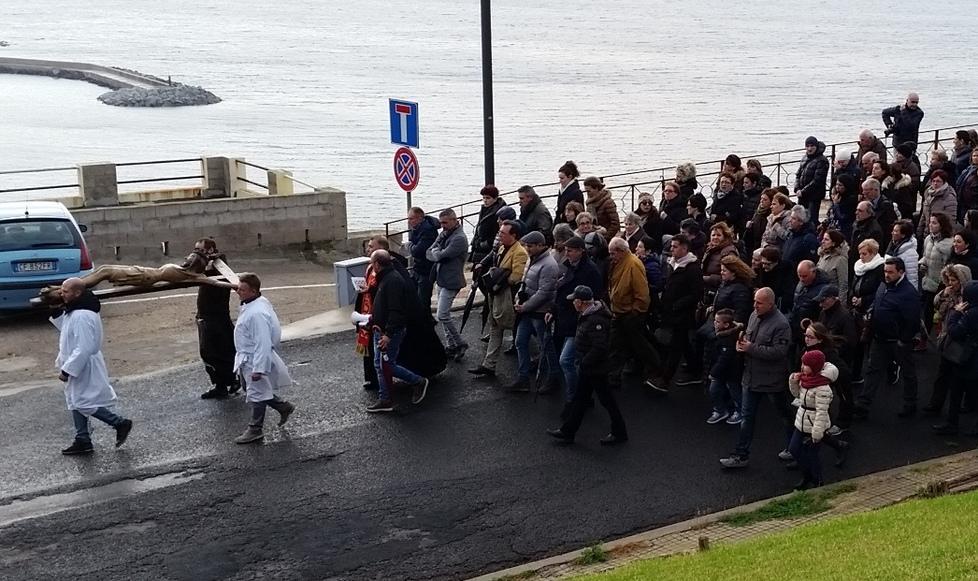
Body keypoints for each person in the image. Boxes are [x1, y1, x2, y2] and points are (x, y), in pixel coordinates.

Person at [53, 278, 133, 455]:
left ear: (77, 293)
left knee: (82, 402)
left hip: (83, 363)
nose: (61, 293)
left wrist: (68, 369)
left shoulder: (82, 315)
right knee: (74, 401)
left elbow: (84, 347)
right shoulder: (76, 310)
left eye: (65, 291)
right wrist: (56, 311)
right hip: (76, 360)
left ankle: (119, 422)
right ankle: (83, 439)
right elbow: (67, 332)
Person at [720, 288, 793, 469]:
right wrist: (741, 344)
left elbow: (780, 352)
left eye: (759, 303)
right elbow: (748, 338)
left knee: (785, 415)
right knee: (747, 417)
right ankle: (741, 455)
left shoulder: (781, 325)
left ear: (770, 303)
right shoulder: (754, 315)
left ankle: (795, 447)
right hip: (751, 378)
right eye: (755, 301)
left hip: (772, 381)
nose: (755, 306)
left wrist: (750, 348)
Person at [547, 285, 628, 445]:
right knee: (581, 398)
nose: (572, 303)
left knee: (606, 400)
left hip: (595, 368)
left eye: (574, 300)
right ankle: (568, 431)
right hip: (589, 366)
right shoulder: (588, 315)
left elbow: (599, 347)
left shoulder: (595, 320)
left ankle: (619, 432)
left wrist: (584, 362)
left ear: (580, 302)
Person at [359, 252, 430, 413]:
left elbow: (395, 311)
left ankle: (412, 384)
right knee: (381, 364)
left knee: (386, 364)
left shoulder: (392, 281)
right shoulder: (388, 277)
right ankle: (386, 397)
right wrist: (370, 290)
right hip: (382, 328)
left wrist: (388, 334)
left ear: (377, 264)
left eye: (372, 263)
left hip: (388, 331)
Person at [853, 257, 920, 419]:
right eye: (885, 271)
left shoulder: (909, 293)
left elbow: (913, 320)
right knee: (872, 370)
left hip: (898, 341)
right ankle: (863, 405)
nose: (886, 275)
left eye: (890, 272)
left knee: (908, 373)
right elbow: (877, 303)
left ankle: (910, 404)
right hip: (880, 338)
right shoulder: (883, 285)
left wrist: (904, 340)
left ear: (901, 272)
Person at [232, 273, 296, 442]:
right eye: (238, 288)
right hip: (248, 357)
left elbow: (263, 342)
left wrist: (258, 368)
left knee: (256, 393)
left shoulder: (256, 314)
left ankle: (255, 428)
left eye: (242, 289)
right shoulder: (256, 303)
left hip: (254, 359)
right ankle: (283, 407)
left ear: (253, 291)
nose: (238, 291)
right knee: (251, 389)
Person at [548, 236, 603, 414]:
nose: (567, 253)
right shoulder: (572, 266)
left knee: (566, 360)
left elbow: (593, 296)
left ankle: (574, 399)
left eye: (570, 250)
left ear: (580, 251)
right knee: (575, 361)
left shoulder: (589, 271)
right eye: (566, 250)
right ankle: (582, 396)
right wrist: (553, 310)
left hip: (578, 321)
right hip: (568, 319)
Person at [469, 220, 528, 378]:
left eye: (503, 233)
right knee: (495, 326)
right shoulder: (502, 247)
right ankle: (488, 365)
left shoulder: (520, 252)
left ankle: (535, 361)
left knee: (511, 325)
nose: (499, 235)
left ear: (513, 235)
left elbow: (517, 276)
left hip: (506, 295)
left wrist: (499, 277)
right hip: (496, 294)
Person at [182, 238, 238, 400]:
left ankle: (231, 381)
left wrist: (209, 259)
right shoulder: (206, 263)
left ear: (211, 250)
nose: (196, 253)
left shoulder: (218, 264)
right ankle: (223, 384)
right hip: (206, 316)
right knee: (215, 352)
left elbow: (220, 266)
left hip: (216, 318)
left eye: (200, 250)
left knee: (215, 353)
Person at [604, 237, 662, 389]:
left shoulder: (633, 265)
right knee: (619, 344)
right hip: (620, 311)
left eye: (612, 253)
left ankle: (656, 369)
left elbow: (642, 293)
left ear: (621, 252)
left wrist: (636, 312)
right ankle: (615, 376)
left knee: (638, 344)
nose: (611, 257)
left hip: (630, 313)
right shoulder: (619, 263)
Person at [647, 234, 702, 391]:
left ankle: (665, 379)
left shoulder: (692, 268)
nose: (671, 249)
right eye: (671, 246)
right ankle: (695, 369)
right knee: (683, 343)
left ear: (685, 248)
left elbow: (696, 293)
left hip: (682, 314)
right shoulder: (673, 264)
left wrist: (678, 305)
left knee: (676, 347)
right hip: (671, 311)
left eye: (675, 246)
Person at [508, 231, 561, 393]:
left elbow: (544, 292)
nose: (527, 249)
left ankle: (554, 377)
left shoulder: (549, 265)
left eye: (530, 246)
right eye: (526, 246)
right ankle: (523, 377)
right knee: (520, 342)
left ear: (540, 245)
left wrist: (524, 306)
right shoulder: (533, 259)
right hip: (528, 310)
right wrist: (519, 299)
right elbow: (525, 282)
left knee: (546, 346)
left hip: (539, 312)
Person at [923, 265, 972, 417]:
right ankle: (935, 404)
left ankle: (965, 406)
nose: (951, 283)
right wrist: (943, 293)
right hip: (946, 338)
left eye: (954, 280)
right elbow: (936, 304)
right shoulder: (947, 292)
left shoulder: (968, 297)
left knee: (961, 378)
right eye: (949, 280)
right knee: (942, 375)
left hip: (960, 341)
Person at [932, 281, 978, 435]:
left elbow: (955, 331)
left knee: (957, 390)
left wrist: (956, 314)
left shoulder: (971, 314)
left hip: (966, 358)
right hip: (972, 358)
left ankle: (952, 424)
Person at [787, 350, 837, 490]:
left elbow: (822, 412)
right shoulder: (806, 380)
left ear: (814, 367)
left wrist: (817, 432)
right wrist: (793, 382)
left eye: (806, 365)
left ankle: (817, 480)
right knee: (794, 449)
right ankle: (807, 474)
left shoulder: (822, 388)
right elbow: (797, 395)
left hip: (814, 423)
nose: (802, 367)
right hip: (801, 420)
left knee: (812, 454)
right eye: (802, 364)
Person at [426, 209, 469, 360]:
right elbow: (430, 251)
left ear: (454, 220)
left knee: (442, 315)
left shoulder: (459, 238)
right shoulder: (445, 233)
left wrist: (437, 253)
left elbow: (440, 255)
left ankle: (459, 342)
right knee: (444, 314)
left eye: (445, 222)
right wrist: (437, 253)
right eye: (441, 222)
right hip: (442, 278)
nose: (442, 226)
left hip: (452, 280)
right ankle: (451, 346)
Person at [849, 239, 886, 385]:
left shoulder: (880, 269)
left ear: (873, 253)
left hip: (872, 313)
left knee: (872, 347)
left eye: (864, 254)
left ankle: (879, 374)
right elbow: (854, 285)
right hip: (857, 311)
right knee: (857, 344)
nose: (861, 257)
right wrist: (853, 297)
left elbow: (880, 291)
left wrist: (863, 300)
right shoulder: (859, 266)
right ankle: (856, 374)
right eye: (860, 253)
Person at [705, 308, 744, 425]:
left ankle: (740, 411)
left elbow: (724, 359)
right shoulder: (719, 335)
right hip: (721, 371)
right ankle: (720, 410)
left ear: (726, 325)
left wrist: (713, 372)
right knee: (714, 390)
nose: (714, 323)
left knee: (735, 392)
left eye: (717, 322)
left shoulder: (729, 340)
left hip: (731, 372)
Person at [919, 213, 954, 335]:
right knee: (926, 312)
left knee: (938, 314)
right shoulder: (928, 239)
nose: (930, 225)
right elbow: (925, 256)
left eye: (934, 223)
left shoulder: (949, 245)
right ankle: (924, 338)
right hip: (927, 280)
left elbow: (948, 266)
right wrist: (922, 264)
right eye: (930, 222)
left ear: (942, 225)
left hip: (940, 284)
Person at [405, 207, 439, 308]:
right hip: (418, 268)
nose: (409, 221)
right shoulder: (418, 228)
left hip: (426, 269)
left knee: (423, 300)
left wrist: (410, 246)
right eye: (408, 219)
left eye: (411, 219)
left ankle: (426, 322)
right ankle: (424, 320)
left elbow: (418, 251)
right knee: (414, 297)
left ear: (420, 218)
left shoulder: (427, 231)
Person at [795, 136, 829, 224]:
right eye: (807, 146)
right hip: (802, 194)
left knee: (811, 219)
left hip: (814, 195)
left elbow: (817, 180)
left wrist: (803, 191)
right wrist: (797, 188)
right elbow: (798, 174)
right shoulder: (804, 158)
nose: (809, 148)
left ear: (816, 146)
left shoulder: (822, 160)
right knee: (800, 218)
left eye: (812, 146)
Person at [470, 185, 506, 265]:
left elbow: (497, 232)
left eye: (488, 198)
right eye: (484, 198)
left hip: (488, 248)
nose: (485, 200)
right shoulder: (485, 210)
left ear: (495, 198)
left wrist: (483, 244)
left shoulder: (499, 212)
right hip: (480, 246)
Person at [918, 170, 958, 241]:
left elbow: (951, 220)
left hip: (940, 236)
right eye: (933, 181)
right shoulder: (928, 193)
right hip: (927, 233)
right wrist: (919, 231)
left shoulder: (949, 197)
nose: (935, 183)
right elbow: (923, 215)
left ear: (944, 182)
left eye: (938, 181)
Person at [701, 222, 739, 294]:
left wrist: (707, 278)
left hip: (720, 291)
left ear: (725, 237)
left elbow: (730, 276)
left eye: (718, 235)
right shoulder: (710, 249)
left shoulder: (729, 252)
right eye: (713, 235)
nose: (715, 237)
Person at [860, 178, 898, 250]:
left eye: (867, 192)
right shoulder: (866, 202)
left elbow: (890, 225)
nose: (864, 194)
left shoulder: (886, 205)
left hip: (881, 239)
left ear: (875, 190)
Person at [756, 246, 795, 313]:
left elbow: (786, 293)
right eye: (763, 263)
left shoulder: (785, 272)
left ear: (776, 262)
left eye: (767, 264)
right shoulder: (761, 270)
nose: (764, 266)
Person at [782, 205, 819, 274]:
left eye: (793, 218)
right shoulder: (792, 234)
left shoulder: (808, 238)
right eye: (791, 217)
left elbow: (810, 261)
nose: (790, 220)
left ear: (801, 222)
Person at [885, 220, 919, 290]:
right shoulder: (892, 246)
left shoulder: (910, 253)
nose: (892, 233)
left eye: (895, 231)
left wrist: (910, 294)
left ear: (903, 235)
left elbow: (912, 277)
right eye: (893, 230)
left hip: (902, 289)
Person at [816, 230, 850, 299]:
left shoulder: (841, 259)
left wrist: (841, 304)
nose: (822, 241)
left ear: (834, 243)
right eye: (823, 238)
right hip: (819, 295)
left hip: (831, 298)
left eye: (826, 239)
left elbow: (843, 284)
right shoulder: (822, 255)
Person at [850, 201, 885, 267]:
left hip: (865, 264)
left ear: (869, 213)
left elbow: (874, 252)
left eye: (860, 211)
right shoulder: (856, 224)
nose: (856, 213)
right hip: (854, 262)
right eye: (856, 210)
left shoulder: (874, 230)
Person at [555, 160, 584, 225]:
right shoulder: (561, 191)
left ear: (570, 177)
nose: (560, 181)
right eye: (559, 178)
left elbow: (578, 214)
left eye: (562, 178)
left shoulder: (576, 193)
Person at [746, 188, 774, 254]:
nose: (761, 201)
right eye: (761, 198)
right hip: (754, 245)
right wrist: (749, 227)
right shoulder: (758, 212)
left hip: (763, 246)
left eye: (765, 199)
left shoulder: (771, 215)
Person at [955, 148, 978, 222]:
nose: (975, 158)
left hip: (974, 205)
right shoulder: (967, 170)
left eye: (977, 156)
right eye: (974, 156)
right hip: (963, 204)